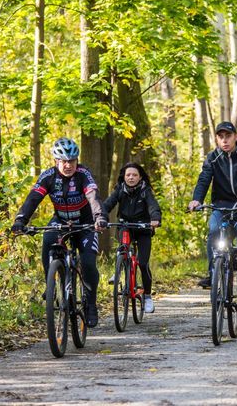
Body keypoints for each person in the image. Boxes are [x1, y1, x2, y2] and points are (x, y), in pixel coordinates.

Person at [11, 137, 108, 327]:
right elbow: (33, 198)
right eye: (63, 161)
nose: (68, 165)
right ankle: (51, 285)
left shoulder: (84, 175)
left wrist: (100, 217)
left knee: (88, 263)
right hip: (61, 220)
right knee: (48, 240)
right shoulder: (48, 176)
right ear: (56, 161)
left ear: (77, 160)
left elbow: (93, 197)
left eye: (72, 161)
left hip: (85, 222)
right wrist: (20, 220)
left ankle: (91, 304)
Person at [188, 121, 237, 327]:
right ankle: (213, 272)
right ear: (217, 139)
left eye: (228, 136)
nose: (224, 140)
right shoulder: (213, 157)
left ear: (236, 137)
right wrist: (196, 199)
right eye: (220, 137)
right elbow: (204, 179)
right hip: (221, 209)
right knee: (213, 232)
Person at [104, 162, 162, 313]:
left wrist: (155, 218)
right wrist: (100, 216)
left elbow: (153, 206)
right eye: (128, 175)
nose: (131, 177)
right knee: (123, 248)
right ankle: (119, 269)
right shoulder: (120, 189)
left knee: (143, 263)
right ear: (124, 177)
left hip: (143, 228)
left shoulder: (145, 190)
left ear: (140, 177)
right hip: (125, 226)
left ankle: (147, 296)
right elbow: (108, 204)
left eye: (134, 175)